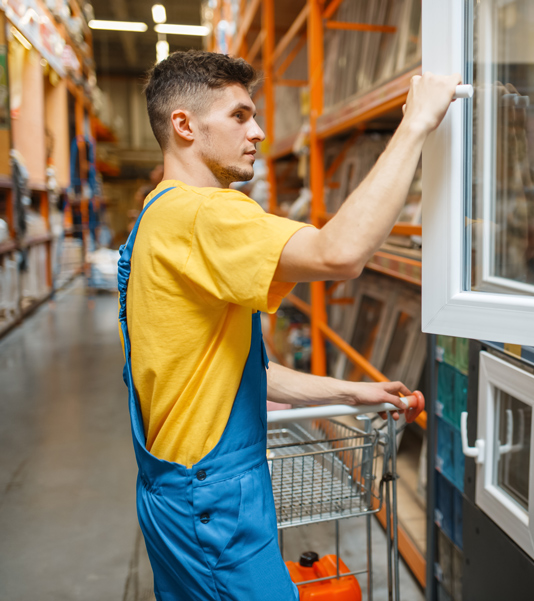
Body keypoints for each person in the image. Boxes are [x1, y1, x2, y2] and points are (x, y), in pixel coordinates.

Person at [117, 50, 459, 600]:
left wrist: (349, 389)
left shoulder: (157, 218)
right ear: (184, 125)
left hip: (174, 495)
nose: (257, 131)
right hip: (214, 507)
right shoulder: (206, 213)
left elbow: (238, 370)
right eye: (238, 115)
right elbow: (339, 253)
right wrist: (417, 122)